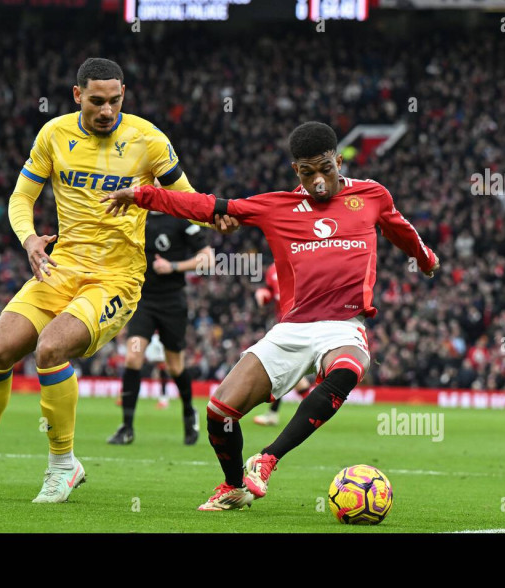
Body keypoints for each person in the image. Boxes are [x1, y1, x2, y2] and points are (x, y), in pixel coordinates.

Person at [102, 121, 440, 511]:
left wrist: (426, 259)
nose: (317, 181)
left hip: (343, 326)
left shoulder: (371, 195)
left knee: (347, 369)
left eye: (325, 169)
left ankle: (267, 459)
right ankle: (233, 486)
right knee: (220, 411)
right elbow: (211, 206)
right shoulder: (275, 206)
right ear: (296, 170)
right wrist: (143, 195)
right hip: (292, 328)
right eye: (308, 171)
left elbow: (401, 230)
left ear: (340, 160)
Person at [0, 58, 218, 503]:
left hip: (116, 277)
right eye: (97, 101)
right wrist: (29, 241)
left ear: (124, 94)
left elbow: (189, 201)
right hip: (60, 266)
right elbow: (21, 197)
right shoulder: (54, 134)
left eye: (115, 100)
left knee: (50, 348)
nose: (107, 110)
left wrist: (216, 212)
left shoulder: (148, 139)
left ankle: (64, 465)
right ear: (77, 95)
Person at [107, 204, 214, 446]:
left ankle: (188, 412)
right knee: (133, 358)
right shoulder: (134, 216)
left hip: (172, 302)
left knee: (175, 366)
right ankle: (126, 427)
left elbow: (208, 259)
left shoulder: (180, 218)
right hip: (142, 301)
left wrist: (173, 267)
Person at [253, 264, 312, 426]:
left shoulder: (303, 263)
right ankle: (314, 408)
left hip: (301, 325)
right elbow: (270, 292)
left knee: (283, 369)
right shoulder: (272, 270)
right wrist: (264, 294)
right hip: (284, 325)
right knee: (288, 371)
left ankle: (314, 408)